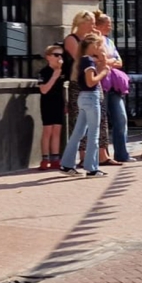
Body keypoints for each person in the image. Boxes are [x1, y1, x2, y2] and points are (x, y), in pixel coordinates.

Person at [63, 11, 119, 169]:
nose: (94, 26)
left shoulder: (93, 40)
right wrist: (102, 63)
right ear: (82, 23)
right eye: (91, 23)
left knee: (100, 121)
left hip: (95, 84)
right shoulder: (72, 40)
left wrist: (99, 43)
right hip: (80, 86)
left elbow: (107, 56)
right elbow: (84, 60)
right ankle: (85, 159)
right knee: (82, 126)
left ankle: (102, 155)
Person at [59, 33, 110, 178]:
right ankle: (92, 168)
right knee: (93, 133)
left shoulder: (84, 60)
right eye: (99, 45)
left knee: (78, 133)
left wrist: (102, 62)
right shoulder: (87, 61)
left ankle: (67, 164)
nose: (101, 48)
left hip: (84, 98)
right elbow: (91, 81)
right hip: (91, 98)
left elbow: (93, 74)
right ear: (93, 46)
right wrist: (104, 72)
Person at [96, 11, 133, 163]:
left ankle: (122, 154)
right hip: (100, 84)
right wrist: (109, 61)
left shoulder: (109, 42)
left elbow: (119, 62)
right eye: (107, 24)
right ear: (98, 25)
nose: (110, 27)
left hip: (114, 86)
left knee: (121, 118)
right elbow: (98, 61)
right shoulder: (95, 41)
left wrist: (108, 61)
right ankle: (100, 155)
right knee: (100, 121)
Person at [37, 44, 66, 170]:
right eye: (56, 55)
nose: (59, 57)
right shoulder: (44, 72)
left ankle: (55, 158)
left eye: (61, 55)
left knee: (57, 130)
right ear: (48, 57)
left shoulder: (63, 71)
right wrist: (55, 74)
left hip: (58, 102)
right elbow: (44, 90)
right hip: (47, 103)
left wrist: (66, 102)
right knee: (47, 130)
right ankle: (45, 158)